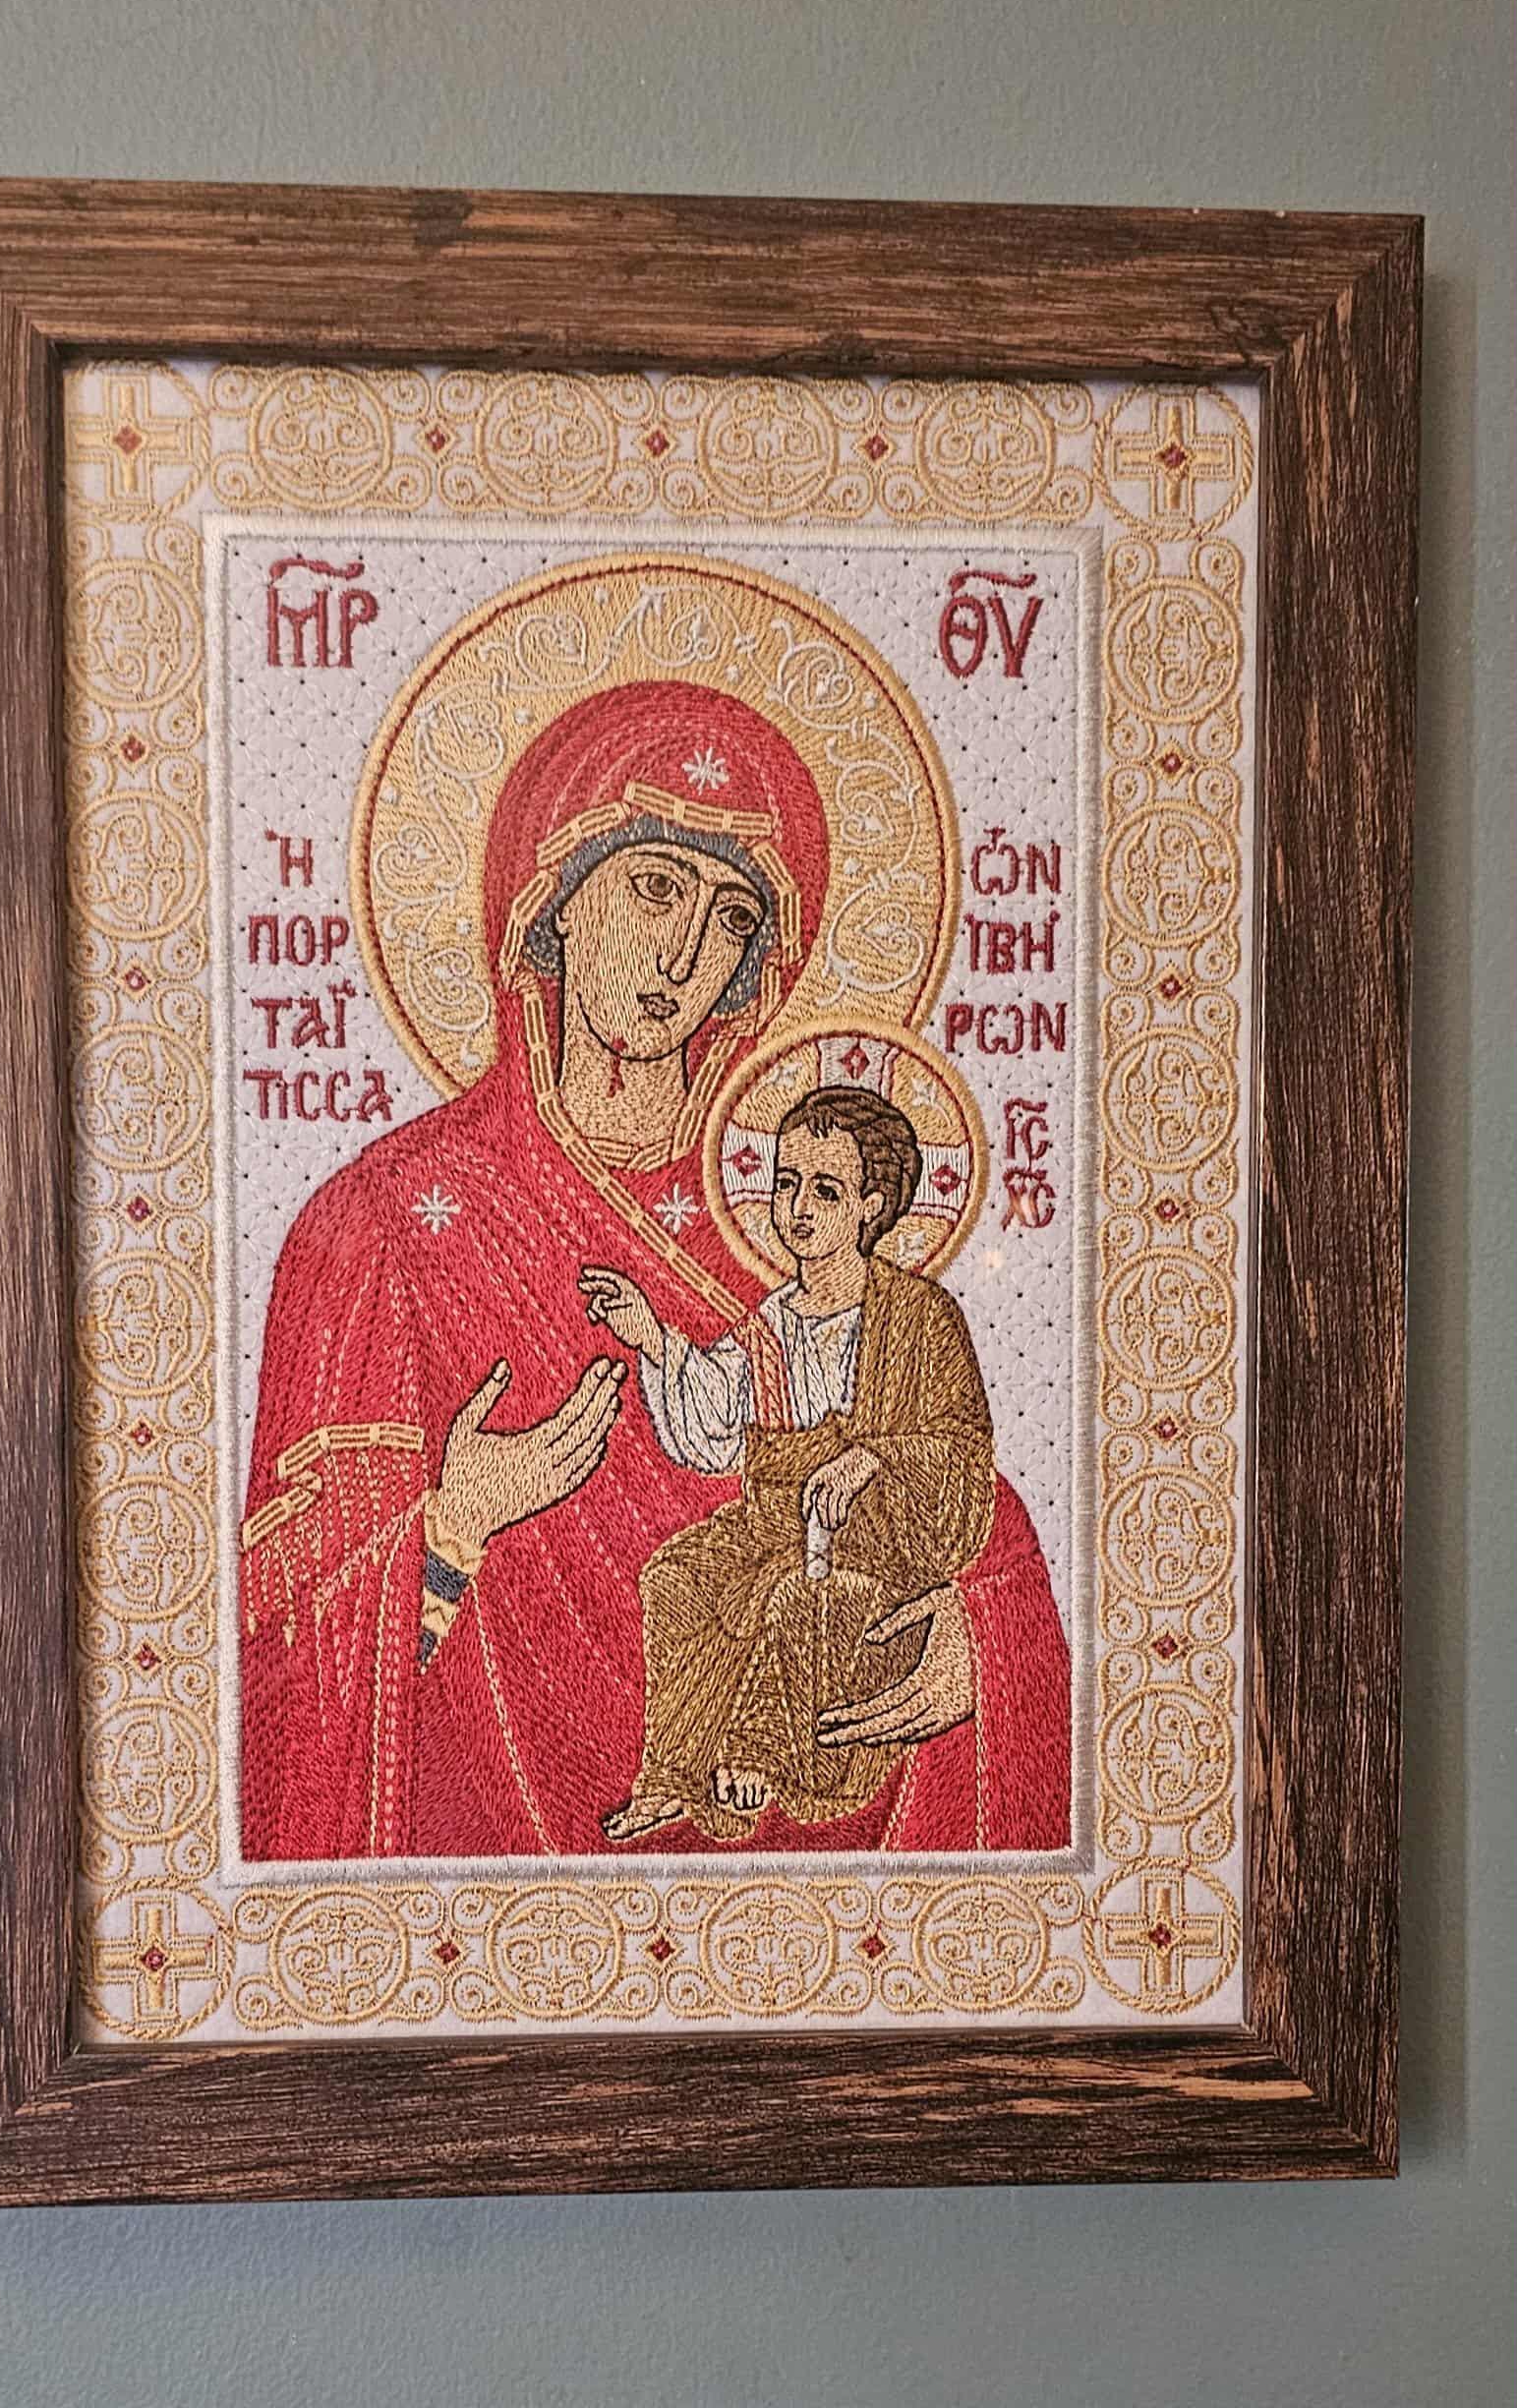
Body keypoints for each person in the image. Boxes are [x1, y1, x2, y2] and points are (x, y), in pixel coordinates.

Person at [239, 677, 1070, 1859]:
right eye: (655, 887)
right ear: (553, 898)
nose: (684, 952)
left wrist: (983, 1643)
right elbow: (273, 1668)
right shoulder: (380, 1225)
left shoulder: (795, 1224)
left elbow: (958, 1482)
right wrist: (454, 1525)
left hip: (828, 1842)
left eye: (731, 917)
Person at [583, 1086, 999, 1842]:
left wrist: (870, 1456)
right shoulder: (772, 1323)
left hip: (879, 1539)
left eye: (825, 1189)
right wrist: (651, 1336)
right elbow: (714, 1426)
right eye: (785, 1182)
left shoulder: (919, 1317)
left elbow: (961, 1451)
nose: (798, 1206)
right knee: (675, 1575)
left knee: (792, 1595)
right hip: (773, 1521)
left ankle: (756, 1754)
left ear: (871, 1206)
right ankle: (672, 1777)